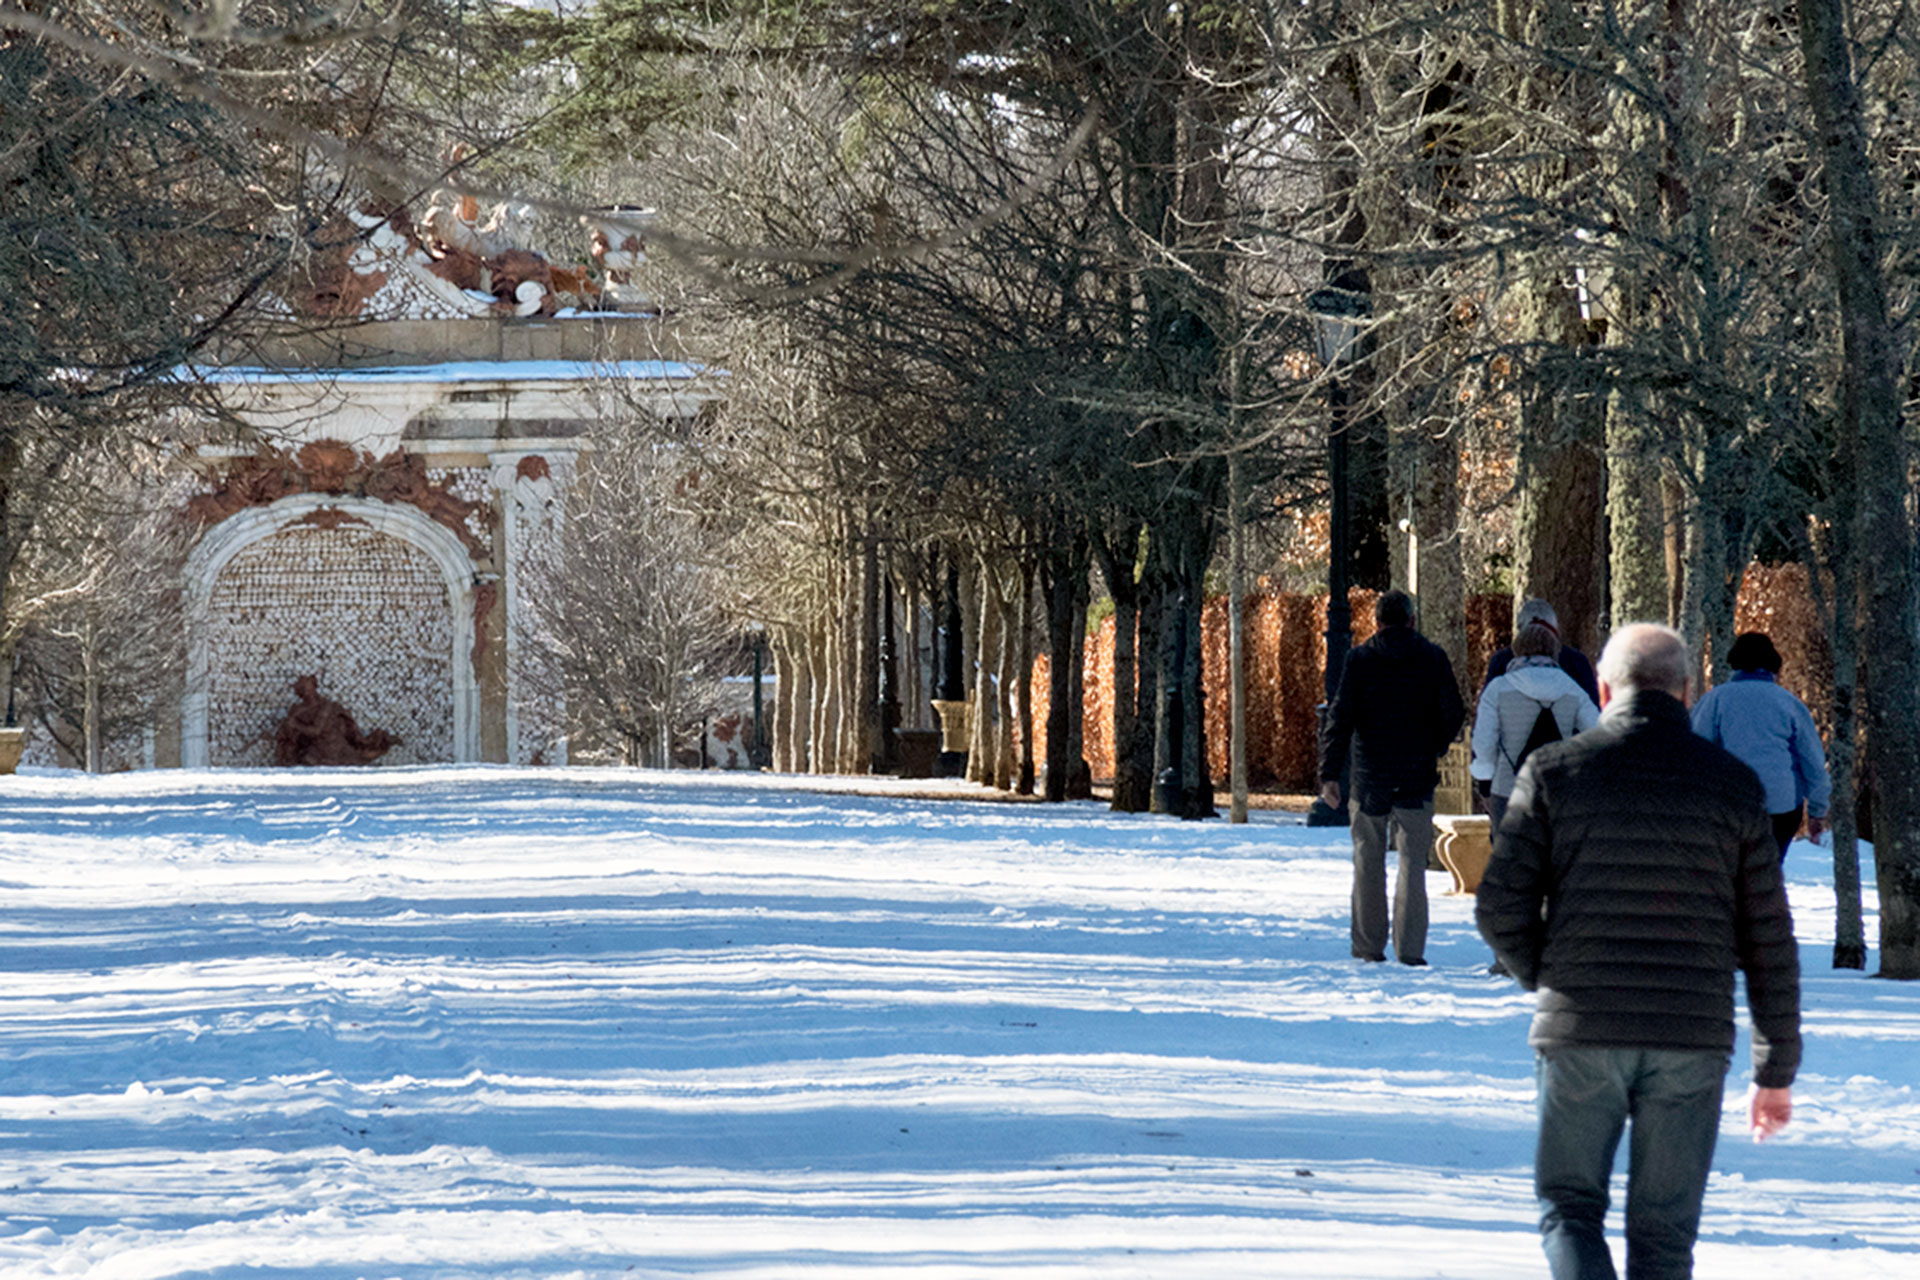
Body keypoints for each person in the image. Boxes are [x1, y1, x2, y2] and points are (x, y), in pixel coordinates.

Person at [1476, 623, 1800, 1280]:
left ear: (1602, 688)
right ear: (1687, 693)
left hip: (1582, 1025)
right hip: (1692, 1031)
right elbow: (1768, 937)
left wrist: (1550, 975)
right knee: (1664, 1235)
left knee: (1569, 1206)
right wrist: (1775, 1070)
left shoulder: (1555, 773)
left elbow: (1498, 906)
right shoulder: (1734, 787)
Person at [1319, 589, 1466, 966]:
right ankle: (1411, 948)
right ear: (1412, 620)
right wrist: (1434, 745)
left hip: (1370, 774)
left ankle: (1369, 945)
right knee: (1412, 864)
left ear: (1377, 621)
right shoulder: (1433, 659)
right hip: (1416, 772)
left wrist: (1330, 773)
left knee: (1368, 860)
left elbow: (1340, 719)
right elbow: (1453, 712)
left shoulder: (1360, 660)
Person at [1691, 631, 1832, 865]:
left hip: (1729, 807)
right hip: (1781, 806)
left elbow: (1695, 753)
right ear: (1773, 665)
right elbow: (1813, 763)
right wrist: (1818, 810)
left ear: (1734, 663)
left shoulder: (1715, 701)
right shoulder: (1790, 704)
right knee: (1767, 873)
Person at [1472, 619, 1600, 831]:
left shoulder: (1498, 689)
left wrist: (1485, 781)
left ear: (1517, 651)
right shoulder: (1572, 689)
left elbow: (1484, 742)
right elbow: (1596, 734)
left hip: (1507, 787)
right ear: (1553, 651)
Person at [1485, 598, 1601, 707]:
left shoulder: (1501, 661)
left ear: (1520, 627)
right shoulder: (1576, 662)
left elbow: (1488, 708)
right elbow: (1592, 710)